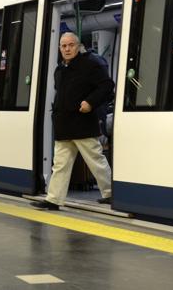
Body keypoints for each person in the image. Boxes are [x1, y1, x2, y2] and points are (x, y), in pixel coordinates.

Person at [31, 32, 114, 210]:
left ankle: (111, 193)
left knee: (95, 160)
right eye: (63, 46)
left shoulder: (91, 63)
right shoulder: (60, 70)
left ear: (78, 46)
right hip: (64, 125)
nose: (67, 49)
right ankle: (53, 199)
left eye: (71, 45)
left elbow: (107, 87)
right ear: (60, 48)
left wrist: (90, 102)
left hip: (83, 123)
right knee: (60, 164)